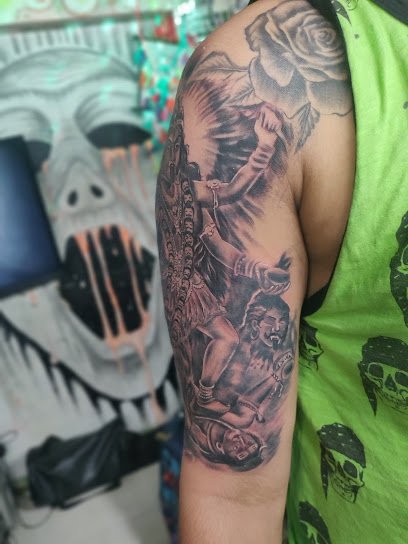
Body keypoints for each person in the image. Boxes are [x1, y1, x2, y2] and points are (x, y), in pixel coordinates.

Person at [155, 0, 408, 542]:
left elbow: (237, 192)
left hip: (219, 275)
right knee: (226, 342)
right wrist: (268, 144)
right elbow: (230, 497)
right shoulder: (267, 65)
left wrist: (265, 144)